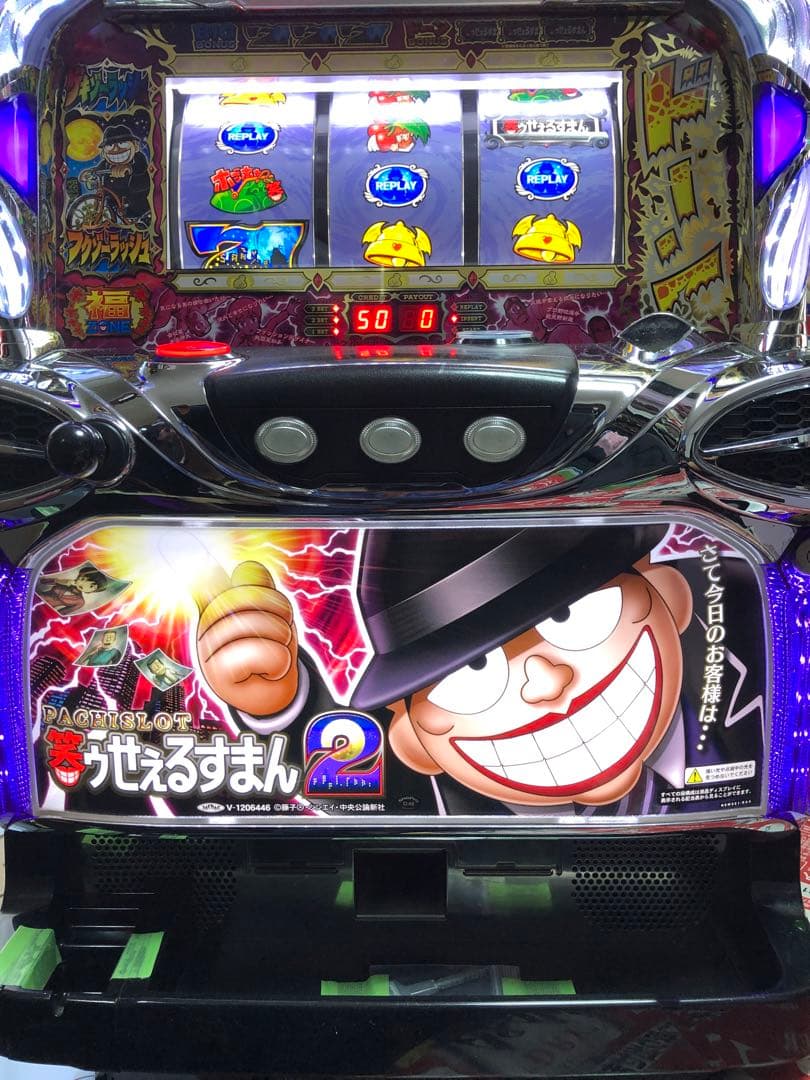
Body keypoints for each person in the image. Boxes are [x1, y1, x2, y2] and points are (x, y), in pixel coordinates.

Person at [193, 528, 727, 815]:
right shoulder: (430, 798)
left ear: (671, 594)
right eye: (474, 668)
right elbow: (352, 769)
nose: (548, 684)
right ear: (413, 742)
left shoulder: (746, 695)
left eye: (572, 615)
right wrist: (279, 704)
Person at [38, 567, 108, 616]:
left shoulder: (80, 602)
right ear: (79, 576)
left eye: (91, 586)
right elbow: (42, 581)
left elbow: (60, 614)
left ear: (93, 591)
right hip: (35, 597)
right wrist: (60, 581)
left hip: (42, 612)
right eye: (83, 579)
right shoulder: (66, 583)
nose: (84, 584)